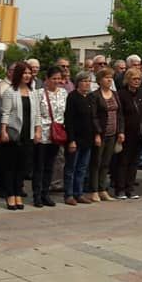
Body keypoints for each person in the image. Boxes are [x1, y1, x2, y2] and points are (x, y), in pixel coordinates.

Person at [0, 62, 41, 210]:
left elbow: (37, 114)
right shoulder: (10, 91)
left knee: (22, 166)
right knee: (11, 166)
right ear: (18, 75)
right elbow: (5, 113)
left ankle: (18, 193)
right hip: (14, 134)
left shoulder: (33, 93)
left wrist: (38, 130)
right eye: (24, 73)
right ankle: (10, 195)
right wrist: (3, 131)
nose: (27, 75)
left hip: (28, 134)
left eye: (29, 73)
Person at [87, 67, 123, 200]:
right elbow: (94, 116)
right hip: (101, 133)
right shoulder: (94, 95)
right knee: (96, 162)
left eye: (110, 77)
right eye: (106, 77)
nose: (109, 80)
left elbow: (119, 114)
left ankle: (103, 189)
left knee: (106, 162)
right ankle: (94, 190)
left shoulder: (115, 94)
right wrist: (96, 133)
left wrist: (121, 131)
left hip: (113, 134)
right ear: (99, 80)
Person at [32, 66, 66, 207]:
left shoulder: (63, 93)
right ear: (47, 79)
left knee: (50, 165)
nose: (56, 81)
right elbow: (36, 113)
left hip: (56, 133)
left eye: (59, 78)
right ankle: (37, 195)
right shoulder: (39, 93)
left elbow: (65, 113)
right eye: (54, 78)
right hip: (43, 132)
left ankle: (46, 193)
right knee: (39, 165)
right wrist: (37, 130)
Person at [114, 68, 142, 199]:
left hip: (139, 133)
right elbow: (120, 114)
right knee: (123, 161)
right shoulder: (121, 94)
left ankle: (130, 188)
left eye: (139, 79)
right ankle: (120, 189)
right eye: (134, 79)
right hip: (126, 132)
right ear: (128, 79)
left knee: (134, 162)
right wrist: (120, 131)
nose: (137, 81)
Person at [63, 72, 94, 205]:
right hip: (75, 138)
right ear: (78, 82)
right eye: (84, 81)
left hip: (88, 139)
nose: (87, 83)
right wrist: (71, 140)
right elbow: (69, 120)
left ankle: (79, 193)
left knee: (82, 168)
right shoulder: (72, 97)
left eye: (89, 81)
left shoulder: (90, 97)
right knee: (71, 168)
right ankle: (69, 194)